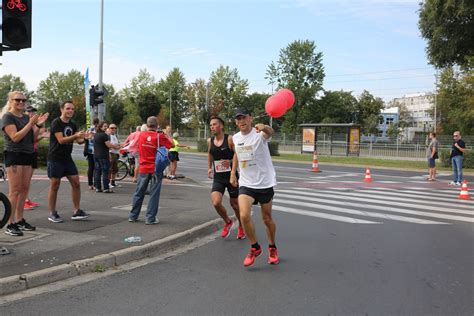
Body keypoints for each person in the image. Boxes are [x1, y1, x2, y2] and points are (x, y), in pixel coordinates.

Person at [230, 108, 279, 267]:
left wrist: (264, 127)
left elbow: (270, 132)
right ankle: (255, 247)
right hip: (246, 183)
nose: (241, 121)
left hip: (264, 182)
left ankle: (272, 247)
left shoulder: (259, 134)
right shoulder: (236, 138)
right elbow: (237, 153)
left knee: (267, 218)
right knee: (244, 215)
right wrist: (232, 172)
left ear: (250, 118)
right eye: (238, 119)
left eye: (244, 117)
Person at [0, 91, 49, 236]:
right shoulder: (8, 117)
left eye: (23, 100)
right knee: (15, 191)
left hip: (28, 155)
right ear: (11, 101)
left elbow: (33, 138)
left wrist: (38, 126)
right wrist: (30, 124)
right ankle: (10, 223)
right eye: (17, 100)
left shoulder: (26, 117)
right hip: (15, 155)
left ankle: (20, 220)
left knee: (24, 190)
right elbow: (15, 137)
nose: (21, 102)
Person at [47, 101, 89, 223]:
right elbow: (61, 140)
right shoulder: (56, 122)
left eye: (72, 109)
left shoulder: (73, 124)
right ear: (62, 109)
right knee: (55, 185)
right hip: (55, 157)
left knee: (76, 182)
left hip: (67, 158)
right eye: (68, 108)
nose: (70, 111)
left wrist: (85, 138)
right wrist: (76, 136)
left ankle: (77, 211)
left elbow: (79, 141)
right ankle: (52, 213)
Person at [128, 116, 173, 224]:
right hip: (155, 168)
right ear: (157, 125)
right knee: (154, 194)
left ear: (147, 125)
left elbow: (132, 146)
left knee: (139, 192)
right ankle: (150, 218)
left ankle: (133, 216)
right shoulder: (159, 136)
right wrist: (165, 135)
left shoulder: (140, 135)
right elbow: (171, 145)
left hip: (143, 168)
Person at [207, 116, 245, 239]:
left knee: (235, 205)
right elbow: (209, 153)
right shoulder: (210, 140)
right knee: (216, 202)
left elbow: (237, 154)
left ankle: (241, 226)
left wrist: (231, 165)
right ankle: (228, 222)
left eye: (214, 124)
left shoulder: (229, 139)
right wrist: (209, 167)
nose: (212, 126)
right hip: (218, 177)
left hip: (231, 176)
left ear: (221, 126)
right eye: (211, 125)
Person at [24, 105, 49, 210]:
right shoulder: (25, 123)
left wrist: (41, 135)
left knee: (28, 179)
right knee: (24, 180)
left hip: (33, 151)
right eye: (29, 112)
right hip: (25, 153)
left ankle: (27, 199)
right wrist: (42, 135)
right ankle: (23, 202)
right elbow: (28, 139)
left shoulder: (35, 124)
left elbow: (34, 139)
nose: (32, 114)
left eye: (33, 112)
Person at [93, 121, 120, 193]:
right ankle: (106, 188)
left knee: (98, 171)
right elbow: (108, 145)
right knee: (105, 171)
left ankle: (98, 187)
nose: (106, 127)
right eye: (104, 126)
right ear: (100, 127)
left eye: (106, 126)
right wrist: (116, 147)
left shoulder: (96, 135)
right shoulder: (104, 135)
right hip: (103, 155)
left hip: (96, 155)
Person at [83, 118, 100, 190]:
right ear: (98, 122)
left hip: (89, 151)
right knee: (97, 168)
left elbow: (85, 139)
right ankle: (96, 184)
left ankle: (90, 184)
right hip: (97, 151)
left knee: (90, 168)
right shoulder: (98, 130)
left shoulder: (88, 129)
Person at [108, 123, 121, 188]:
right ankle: (108, 183)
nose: (114, 129)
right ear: (109, 129)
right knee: (110, 169)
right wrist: (116, 147)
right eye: (112, 128)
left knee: (115, 169)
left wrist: (119, 146)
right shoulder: (108, 136)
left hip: (115, 153)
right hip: (110, 153)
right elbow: (109, 145)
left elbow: (118, 143)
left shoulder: (115, 136)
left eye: (115, 128)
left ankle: (113, 182)